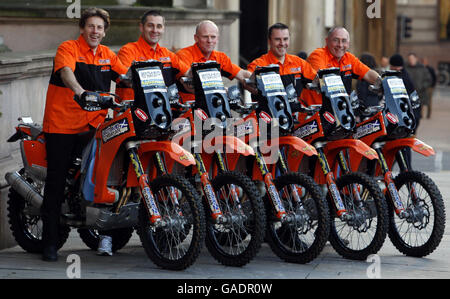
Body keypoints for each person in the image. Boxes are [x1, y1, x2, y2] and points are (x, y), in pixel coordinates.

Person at [41, 7, 128, 261]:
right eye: (91, 26)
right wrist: (80, 92)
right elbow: (66, 73)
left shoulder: (106, 54)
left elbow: (124, 75)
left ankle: (102, 229)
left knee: (108, 173)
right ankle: (49, 241)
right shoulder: (68, 48)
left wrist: (143, 81)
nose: (95, 31)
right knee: (57, 179)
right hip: (63, 123)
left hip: (95, 124)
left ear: (104, 32)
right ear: (82, 28)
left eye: (100, 27)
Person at [116, 10, 189, 101]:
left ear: (163, 29)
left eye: (159, 26)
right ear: (141, 27)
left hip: (159, 110)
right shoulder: (127, 51)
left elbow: (188, 74)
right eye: (150, 26)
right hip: (132, 111)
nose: (155, 30)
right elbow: (127, 79)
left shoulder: (167, 54)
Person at [176, 20, 251, 102]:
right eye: (205, 37)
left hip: (214, 105)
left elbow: (242, 74)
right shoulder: (183, 55)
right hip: (189, 108)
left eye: (213, 37)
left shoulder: (220, 57)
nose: (209, 41)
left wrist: (258, 78)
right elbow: (188, 86)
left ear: (217, 39)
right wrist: (220, 90)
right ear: (196, 38)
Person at [247, 23, 319, 104]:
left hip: (294, 115)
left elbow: (317, 81)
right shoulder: (258, 64)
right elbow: (247, 82)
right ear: (269, 41)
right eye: (277, 39)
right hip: (268, 115)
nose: (282, 43)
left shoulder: (299, 63)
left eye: (285, 39)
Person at [306, 27, 381, 104]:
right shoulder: (317, 55)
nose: (340, 45)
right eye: (335, 40)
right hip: (316, 110)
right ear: (327, 41)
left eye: (344, 41)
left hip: (340, 109)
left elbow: (368, 74)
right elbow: (320, 79)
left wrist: (382, 82)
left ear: (348, 44)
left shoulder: (349, 58)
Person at [405, 53, 432, 121]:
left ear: (416, 59)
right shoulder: (405, 69)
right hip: (408, 93)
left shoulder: (422, 68)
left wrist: (423, 86)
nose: (411, 60)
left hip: (420, 93)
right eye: (410, 59)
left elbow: (428, 79)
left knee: (417, 113)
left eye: (412, 59)